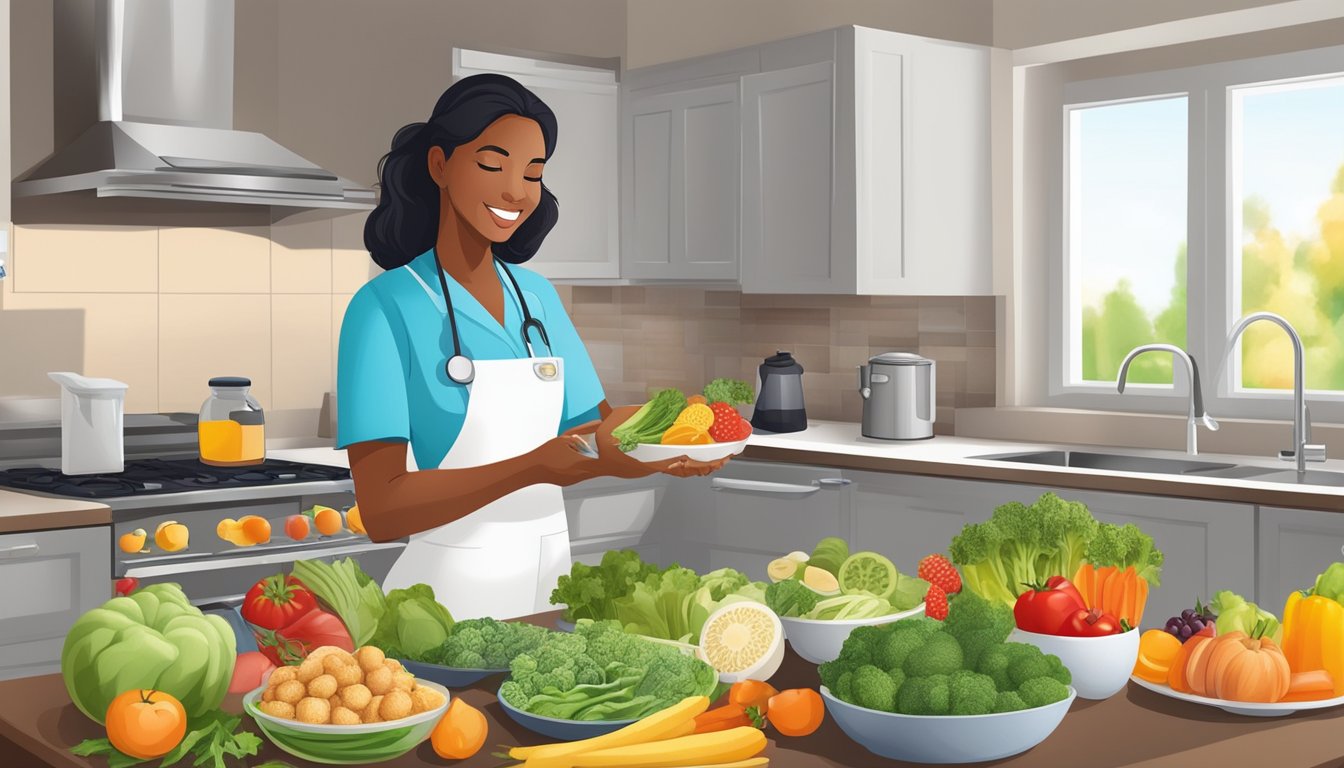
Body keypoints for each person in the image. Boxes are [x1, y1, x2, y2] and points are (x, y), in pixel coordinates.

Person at [336, 74, 725, 621]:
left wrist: (669, 445)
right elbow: (382, 510)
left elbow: (593, 438)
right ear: (440, 165)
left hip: (549, 593)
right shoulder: (383, 308)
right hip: (444, 606)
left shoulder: (535, 296)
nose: (516, 191)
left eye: (533, 172)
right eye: (493, 166)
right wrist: (531, 468)